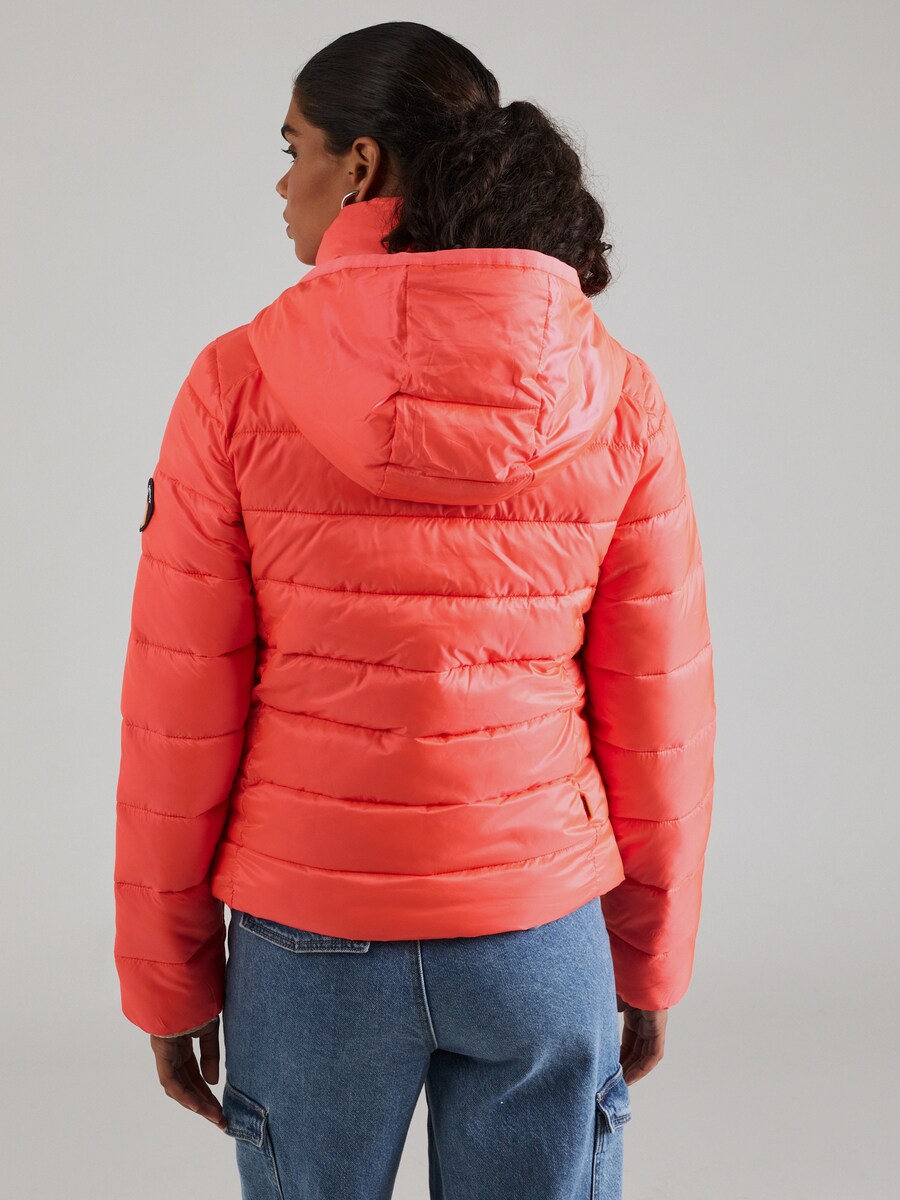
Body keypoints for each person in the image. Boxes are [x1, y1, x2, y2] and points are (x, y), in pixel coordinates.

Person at [113, 20, 716, 1200]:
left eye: (293, 148)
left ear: (362, 165)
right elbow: (661, 715)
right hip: (537, 930)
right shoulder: (616, 393)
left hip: (308, 936)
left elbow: (178, 712)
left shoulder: (235, 382)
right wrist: (647, 957)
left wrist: (168, 980)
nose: (282, 183)